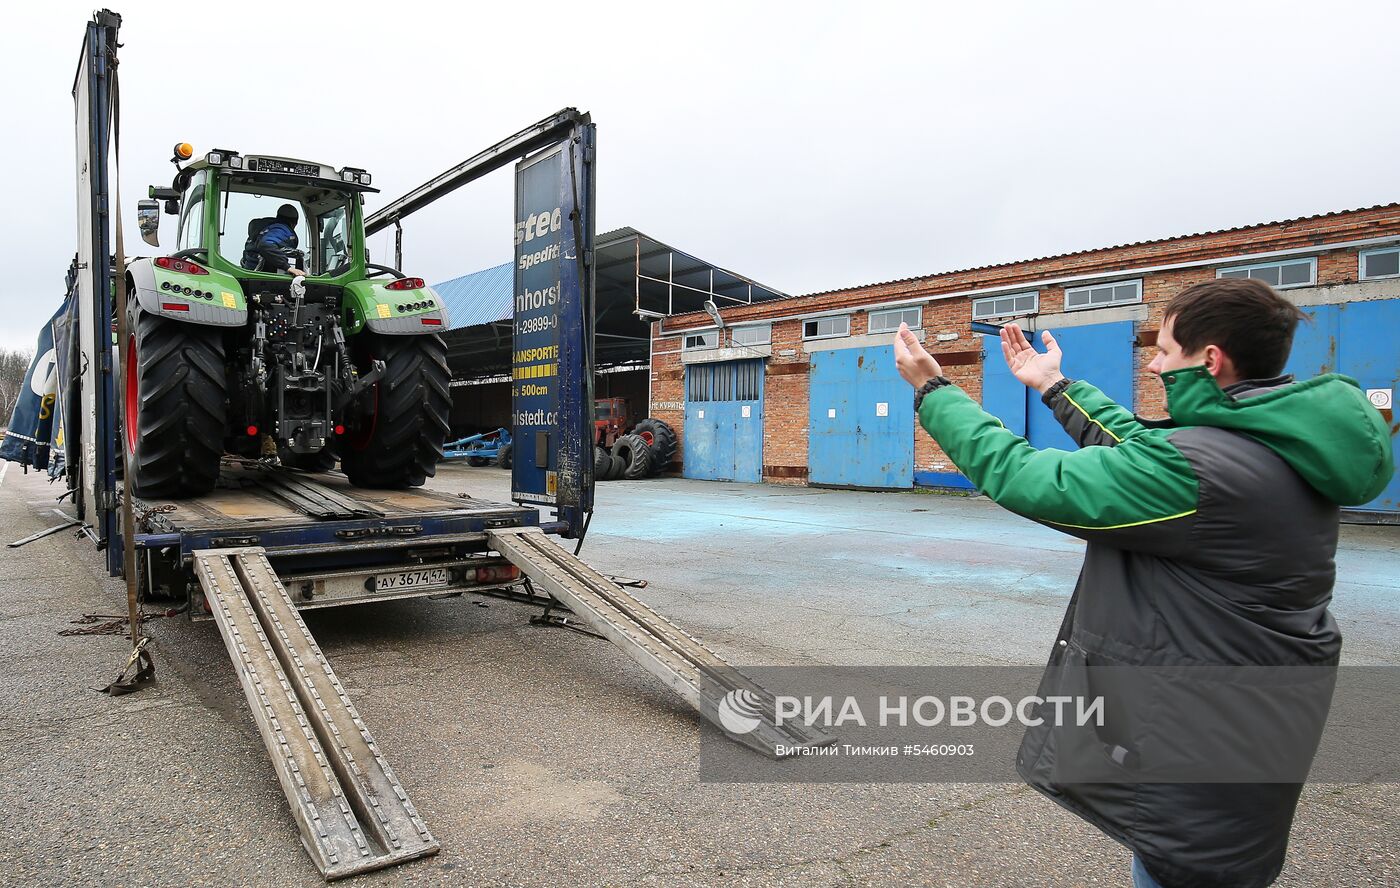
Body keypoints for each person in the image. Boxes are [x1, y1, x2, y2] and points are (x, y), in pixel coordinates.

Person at [892, 277, 1393, 888]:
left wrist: (934, 390)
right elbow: (1144, 444)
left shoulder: (1206, 471)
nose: (1153, 364)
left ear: (1210, 359)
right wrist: (1053, 385)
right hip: (1247, 722)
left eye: (1163, 350)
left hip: (1202, 743)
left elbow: (1022, 474)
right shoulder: (1275, 441)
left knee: (1184, 868)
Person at [242, 203, 306, 276]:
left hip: (248, 273)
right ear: (294, 223)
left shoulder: (261, 230)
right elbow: (265, 244)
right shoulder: (282, 230)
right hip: (264, 277)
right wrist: (288, 267)